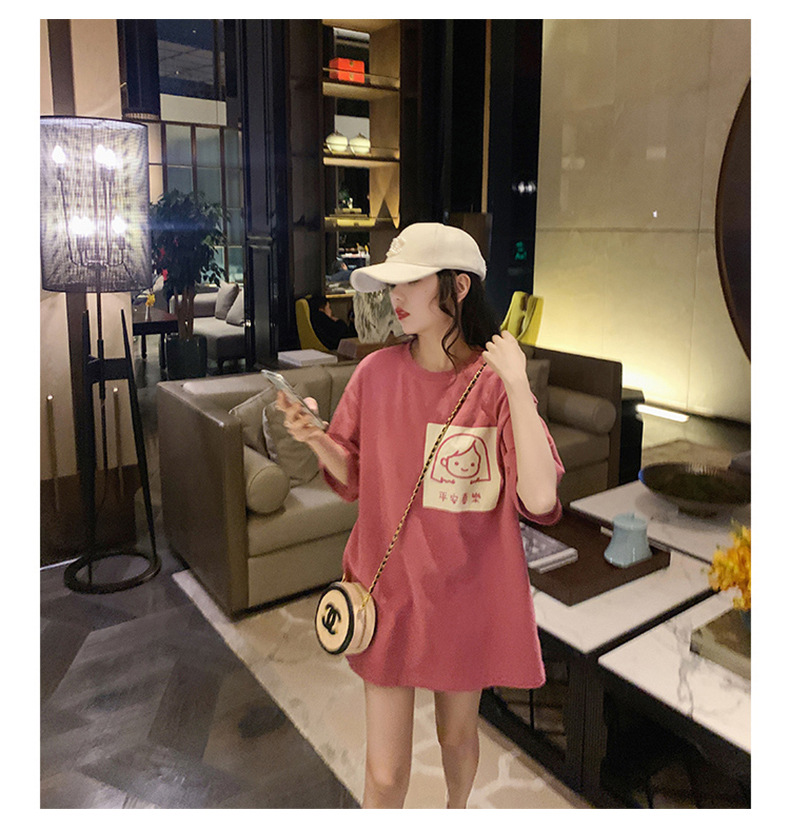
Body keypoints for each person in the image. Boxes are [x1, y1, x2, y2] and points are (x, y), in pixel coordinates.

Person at [277, 222, 564, 809]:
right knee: (385, 774)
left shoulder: (493, 385)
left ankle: (457, 812)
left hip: (463, 594)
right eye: (392, 284)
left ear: (458, 286)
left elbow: (539, 498)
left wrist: (516, 383)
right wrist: (314, 438)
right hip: (387, 594)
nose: (396, 297)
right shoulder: (375, 374)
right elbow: (354, 472)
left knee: (457, 737)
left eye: (411, 282)